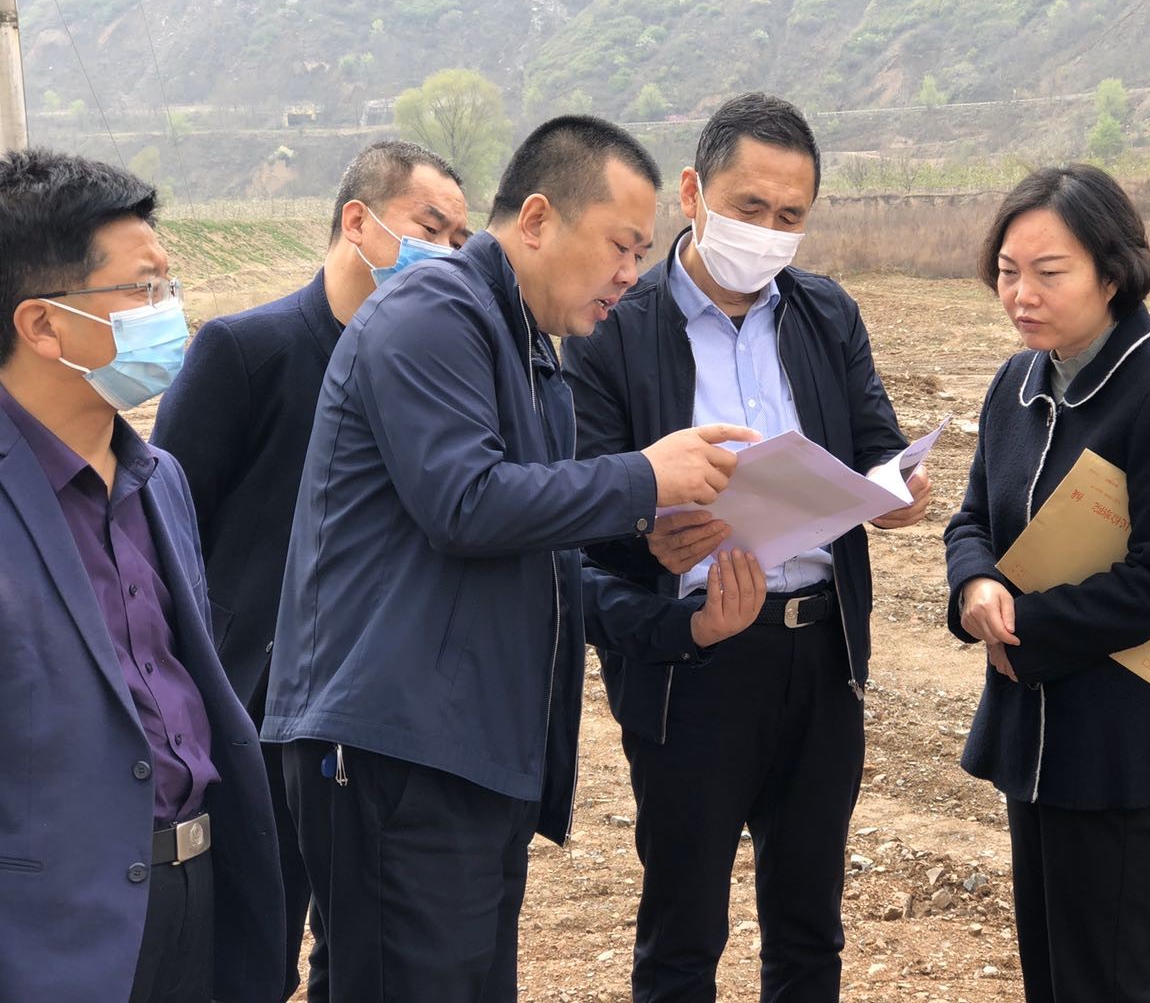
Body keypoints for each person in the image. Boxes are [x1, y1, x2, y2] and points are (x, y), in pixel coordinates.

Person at [261, 115, 767, 1002]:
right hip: (398, 748)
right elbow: (464, 503)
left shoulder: (531, 353)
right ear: (537, 219)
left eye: (642, 253)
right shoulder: (433, 311)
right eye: (619, 245)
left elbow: (537, 560)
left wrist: (673, 611)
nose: (630, 273)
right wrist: (644, 476)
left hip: (471, 751)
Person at [563, 92, 930, 1002]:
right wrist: (651, 534)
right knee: (683, 931)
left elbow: (876, 443)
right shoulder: (615, 329)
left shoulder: (825, 314)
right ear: (693, 192)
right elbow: (580, 515)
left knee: (809, 928)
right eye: (749, 207)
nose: (767, 233)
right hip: (694, 660)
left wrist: (896, 490)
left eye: (789, 216)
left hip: (821, 651)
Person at [151, 139, 469, 999]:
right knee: (252, 951)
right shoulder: (245, 351)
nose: (446, 254)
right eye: (430, 228)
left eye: (460, 240)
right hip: (254, 714)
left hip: (379, 715)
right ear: (357, 222)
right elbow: (165, 527)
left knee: (366, 950)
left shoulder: (433, 375)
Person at [944, 164, 1150, 1003]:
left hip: (1123, 738)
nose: (1022, 295)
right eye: (1008, 271)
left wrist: (1029, 627)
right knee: (1049, 971)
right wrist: (975, 586)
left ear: (1112, 274)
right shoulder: (1017, 382)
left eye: (1050, 272)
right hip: (1034, 727)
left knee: (1109, 975)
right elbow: (972, 517)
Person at [0, 148, 284, 1001]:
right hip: (53, 934)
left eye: (170, 286)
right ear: (42, 325)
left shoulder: (160, 482)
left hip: (193, 895)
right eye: (144, 290)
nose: (172, 313)